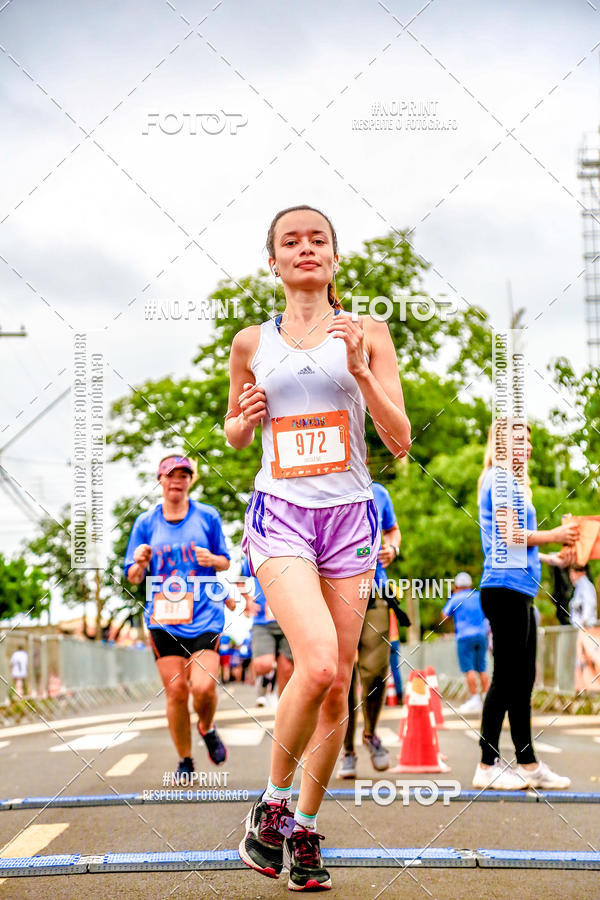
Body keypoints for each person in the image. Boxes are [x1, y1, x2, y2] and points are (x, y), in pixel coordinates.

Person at [226, 205, 411, 891]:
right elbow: (234, 430)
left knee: (336, 689)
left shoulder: (368, 333)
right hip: (282, 517)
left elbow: (400, 440)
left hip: (349, 519)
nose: (305, 248)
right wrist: (242, 424)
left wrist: (361, 370)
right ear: (273, 261)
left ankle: (303, 829)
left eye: (318, 239)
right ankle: (270, 807)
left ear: (335, 257)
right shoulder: (251, 342)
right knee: (321, 660)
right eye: (290, 241)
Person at [473, 421, 579, 791]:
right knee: (506, 678)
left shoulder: (511, 482)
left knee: (522, 680)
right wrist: (555, 535)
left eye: (530, 441)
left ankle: (529, 765)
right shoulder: (500, 479)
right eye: (520, 440)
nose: (528, 447)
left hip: (518, 589)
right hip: (504, 589)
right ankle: (486, 765)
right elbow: (510, 536)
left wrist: (551, 558)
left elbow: (515, 543)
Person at [124, 454, 233, 776]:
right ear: (160, 480)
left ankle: (207, 726)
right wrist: (140, 562)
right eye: (170, 475)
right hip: (164, 616)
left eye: (183, 475)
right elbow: (133, 576)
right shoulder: (146, 523)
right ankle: (185, 760)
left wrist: (212, 559)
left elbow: (225, 561)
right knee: (176, 692)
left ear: (190, 481)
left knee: (203, 687)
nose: (177, 480)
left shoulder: (207, 516)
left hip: (204, 613)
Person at [337, 479, 402, 778]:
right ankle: (346, 749)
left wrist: (393, 548)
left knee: (376, 671)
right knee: (342, 676)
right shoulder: (324, 488)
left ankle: (370, 733)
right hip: (335, 592)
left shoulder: (379, 492)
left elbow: (393, 530)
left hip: (375, 591)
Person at [238, 554, 294, 707]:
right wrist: (247, 599)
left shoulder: (294, 548)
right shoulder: (256, 549)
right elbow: (240, 578)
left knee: (287, 669)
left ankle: (282, 706)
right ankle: (264, 685)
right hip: (262, 620)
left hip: (288, 619)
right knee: (263, 664)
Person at [441, 572, 490, 715]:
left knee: (469, 669)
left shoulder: (456, 598)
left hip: (464, 637)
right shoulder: (479, 596)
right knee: (482, 668)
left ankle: (475, 700)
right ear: (470, 584)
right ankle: (487, 698)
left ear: (456, 586)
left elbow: (445, 615)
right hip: (481, 635)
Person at [568, 565, 598, 629]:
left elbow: (589, 603)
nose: (570, 576)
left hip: (586, 627)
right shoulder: (579, 586)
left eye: (572, 573)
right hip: (580, 627)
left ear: (581, 572)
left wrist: (585, 620)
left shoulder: (585, 585)